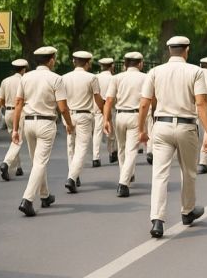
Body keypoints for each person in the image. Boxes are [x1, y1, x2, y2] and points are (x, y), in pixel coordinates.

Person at [138, 36, 207, 238]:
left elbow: (144, 103)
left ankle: (157, 220)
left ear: (169, 49)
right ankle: (187, 211)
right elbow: (201, 103)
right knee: (188, 172)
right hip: (186, 126)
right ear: (187, 50)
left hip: (161, 126)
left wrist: (141, 130)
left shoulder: (155, 71)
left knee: (159, 174)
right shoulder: (195, 72)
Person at [11, 46, 74, 217]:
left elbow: (18, 103)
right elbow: (63, 107)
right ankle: (27, 200)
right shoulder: (56, 79)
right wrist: (69, 124)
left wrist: (15, 129)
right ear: (51, 59)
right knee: (40, 162)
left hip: (28, 123)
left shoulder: (25, 78)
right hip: (46, 124)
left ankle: (45, 195)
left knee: (36, 162)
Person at [103, 52, 146, 197]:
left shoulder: (116, 78)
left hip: (120, 115)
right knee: (131, 150)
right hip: (136, 115)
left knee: (121, 148)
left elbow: (108, 101)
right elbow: (149, 101)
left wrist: (106, 120)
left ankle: (125, 176)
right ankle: (123, 183)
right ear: (140, 63)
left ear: (125, 64)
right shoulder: (145, 77)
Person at [62, 51, 104, 193]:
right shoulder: (92, 78)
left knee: (70, 146)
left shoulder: (64, 78)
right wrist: (105, 113)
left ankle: (73, 174)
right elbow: (98, 99)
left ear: (74, 62)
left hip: (69, 114)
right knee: (81, 148)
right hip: (84, 115)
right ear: (87, 63)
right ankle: (72, 177)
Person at [0, 58, 27, 181]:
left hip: (8, 112)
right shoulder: (25, 80)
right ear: (24, 69)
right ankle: (6, 164)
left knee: (14, 139)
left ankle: (18, 167)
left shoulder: (5, 81)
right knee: (17, 140)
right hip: (20, 113)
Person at [92, 57, 117, 166]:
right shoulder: (114, 78)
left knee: (97, 132)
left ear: (101, 66)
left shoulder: (95, 77)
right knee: (111, 131)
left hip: (97, 106)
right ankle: (111, 152)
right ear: (112, 66)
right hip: (110, 106)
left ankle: (95, 157)